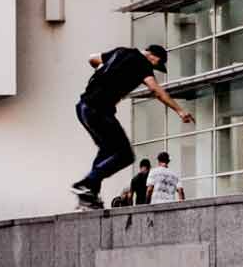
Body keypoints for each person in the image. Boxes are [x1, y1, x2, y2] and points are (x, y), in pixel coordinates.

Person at [71, 44, 193, 209]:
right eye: (157, 65)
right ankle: (85, 185)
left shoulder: (121, 51)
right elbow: (155, 89)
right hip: (99, 109)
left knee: (107, 151)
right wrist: (179, 110)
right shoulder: (142, 63)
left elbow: (92, 59)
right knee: (125, 154)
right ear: (154, 56)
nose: (154, 69)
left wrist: (105, 73)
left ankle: (89, 196)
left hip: (83, 107)